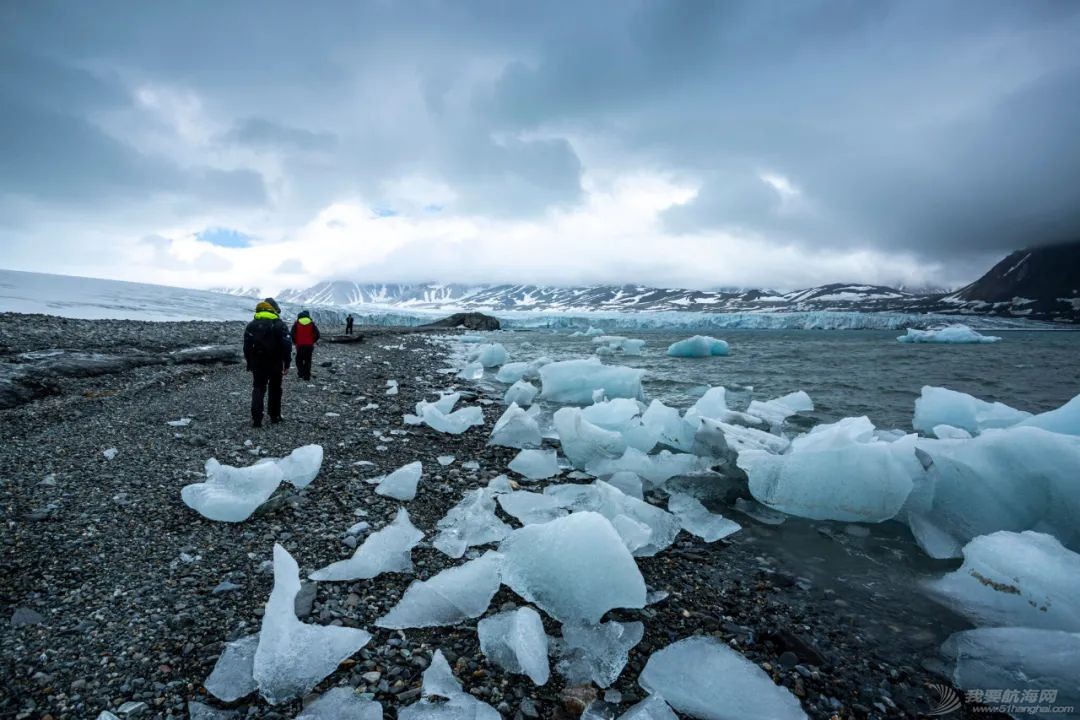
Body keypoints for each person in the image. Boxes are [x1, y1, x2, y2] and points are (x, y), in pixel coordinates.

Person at [243, 298, 292, 427]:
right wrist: (287, 363)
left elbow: (247, 346)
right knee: (275, 388)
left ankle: (257, 419)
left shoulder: (252, 325)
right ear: (273, 309)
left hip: (258, 362)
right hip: (276, 362)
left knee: (258, 388)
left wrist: (249, 362)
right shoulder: (279, 324)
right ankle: (274, 416)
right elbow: (287, 345)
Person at [290, 309, 320, 380]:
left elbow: (292, 334)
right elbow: (318, 335)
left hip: (300, 345)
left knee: (299, 360)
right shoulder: (311, 323)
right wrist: (312, 341)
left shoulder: (297, 323)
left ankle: (301, 373)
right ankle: (307, 376)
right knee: (308, 360)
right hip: (309, 345)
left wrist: (295, 342)